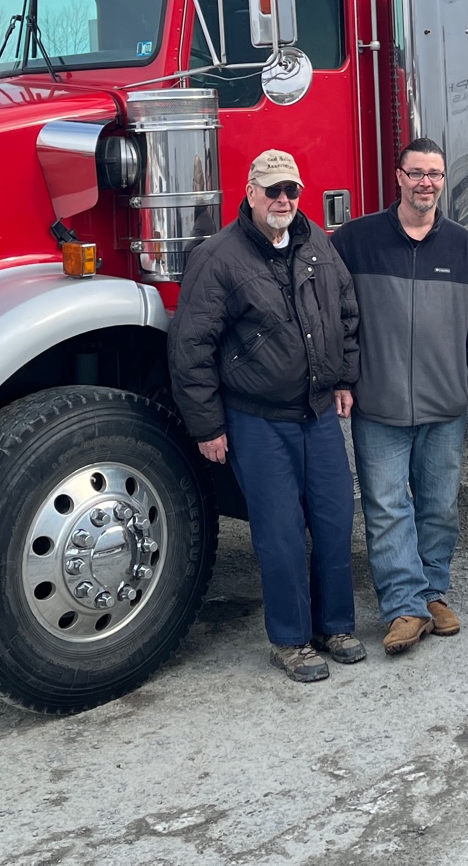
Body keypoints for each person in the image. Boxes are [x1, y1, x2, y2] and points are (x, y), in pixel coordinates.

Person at [169, 149, 366, 681]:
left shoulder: (316, 243)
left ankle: (336, 627)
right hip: (258, 419)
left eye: (291, 191)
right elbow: (192, 346)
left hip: (318, 411)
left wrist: (345, 376)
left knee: (332, 520)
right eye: (273, 191)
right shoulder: (218, 256)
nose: (283, 200)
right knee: (278, 532)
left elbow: (345, 310)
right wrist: (207, 424)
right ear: (250, 192)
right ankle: (290, 640)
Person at [331, 138, 468, 655]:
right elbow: (333, 316)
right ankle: (404, 607)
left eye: (437, 174)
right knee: (385, 507)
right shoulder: (355, 241)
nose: (427, 182)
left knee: (440, 506)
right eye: (417, 172)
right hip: (377, 406)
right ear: (398, 176)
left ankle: (432, 593)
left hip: (444, 407)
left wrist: (466, 380)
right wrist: (344, 376)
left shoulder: (463, 247)